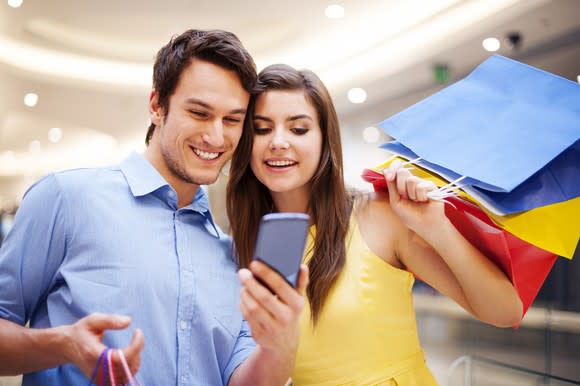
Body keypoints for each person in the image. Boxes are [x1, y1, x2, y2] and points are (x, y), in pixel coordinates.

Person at [0, 30, 307, 386]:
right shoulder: (65, 198)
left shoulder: (233, 255)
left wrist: (279, 347)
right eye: (199, 112)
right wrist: (64, 344)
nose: (217, 137)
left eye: (232, 120)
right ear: (156, 105)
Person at [226, 64, 524, 385]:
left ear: (326, 140)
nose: (278, 142)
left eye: (298, 129)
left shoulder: (377, 215)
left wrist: (436, 228)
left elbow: (505, 312)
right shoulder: (245, 245)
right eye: (261, 128)